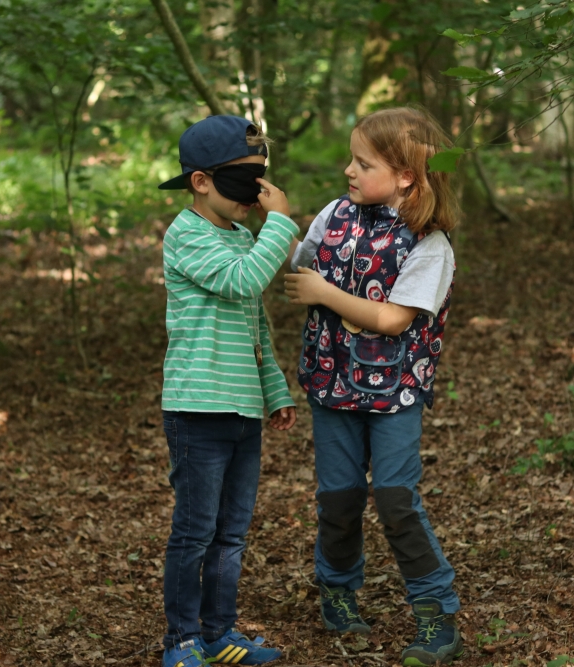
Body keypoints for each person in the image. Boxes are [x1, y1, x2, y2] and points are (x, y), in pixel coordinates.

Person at [284, 107, 462, 666]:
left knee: (394, 496)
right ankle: (337, 591)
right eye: (351, 159)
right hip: (331, 386)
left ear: (406, 174)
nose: (348, 171)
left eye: (363, 163)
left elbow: (392, 320)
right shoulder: (334, 215)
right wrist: (280, 220)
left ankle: (436, 612)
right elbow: (298, 263)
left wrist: (323, 293)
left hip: (394, 396)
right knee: (338, 497)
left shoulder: (429, 244)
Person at [157, 115, 298, 667]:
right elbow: (244, 281)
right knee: (194, 533)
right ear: (200, 181)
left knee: (231, 534)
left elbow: (254, 324)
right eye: (244, 183)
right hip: (197, 409)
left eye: (261, 182)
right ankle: (181, 641)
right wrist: (280, 224)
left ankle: (217, 635)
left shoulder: (241, 237)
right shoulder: (186, 235)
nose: (256, 196)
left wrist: (275, 390)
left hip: (243, 408)